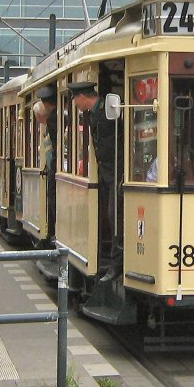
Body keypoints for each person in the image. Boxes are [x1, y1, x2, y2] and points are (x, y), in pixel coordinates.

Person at [69, 81, 123, 282]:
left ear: (83, 97)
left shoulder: (108, 109)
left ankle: (116, 264)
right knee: (108, 215)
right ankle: (110, 261)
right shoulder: (92, 114)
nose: (75, 103)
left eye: (75, 99)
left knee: (115, 216)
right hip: (105, 173)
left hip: (117, 172)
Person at [37, 85, 58, 238]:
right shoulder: (56, 117)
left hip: (56, 166)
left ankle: (53, 231)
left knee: (52, 195)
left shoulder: (53, 119)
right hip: (55, 164)